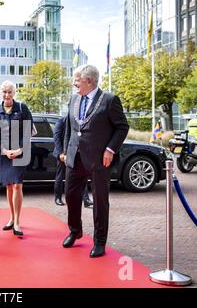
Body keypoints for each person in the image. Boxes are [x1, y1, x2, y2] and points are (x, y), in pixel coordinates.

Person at [62, 65, 129, 258]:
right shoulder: (74, 98)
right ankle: (75, 231)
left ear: (89, 81)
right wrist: (67, 150)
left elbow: (122, 127)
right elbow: (70, 126)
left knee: (100, 200)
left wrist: (110, 149)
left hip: (100, 159)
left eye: (77, 80)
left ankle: (100, 241)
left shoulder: (109, 100)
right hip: (75, 157)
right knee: (71, 195)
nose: (74, 84)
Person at [0, 81, 33, 236]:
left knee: (17, 185)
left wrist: (20, 150)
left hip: (20, 151)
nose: (7, 95)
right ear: (1, 93)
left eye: (10, 92)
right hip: (4, 152)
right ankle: (11, 218)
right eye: (4, 92)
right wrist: (4, 150)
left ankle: (17, 222)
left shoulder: (22, 108)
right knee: (9, 186)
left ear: (14, 93)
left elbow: (28, 131)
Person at [53, 115, 93, 207]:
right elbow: (57, 137)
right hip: (62, 154)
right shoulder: (61, 120)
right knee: (60, 176)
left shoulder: (78, 121)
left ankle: (86, 199)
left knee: (81, 176)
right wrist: (61, 154)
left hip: (74, 153)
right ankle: (58, 198)